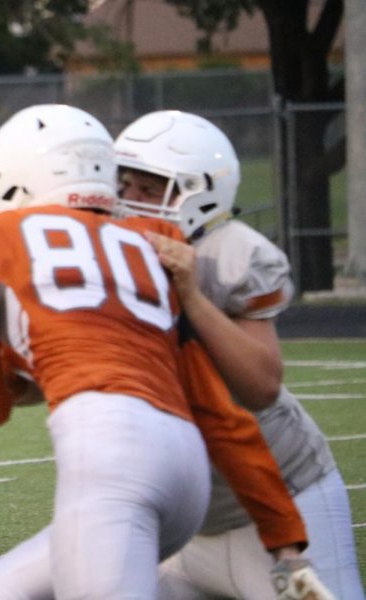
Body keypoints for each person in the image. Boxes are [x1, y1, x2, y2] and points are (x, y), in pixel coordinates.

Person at [0, 104, 320, 599]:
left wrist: (21, 367)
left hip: (111, 455)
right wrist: (285, 538)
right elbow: (220, 413)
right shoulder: (150, 248)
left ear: (11, 179)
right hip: (187, 474)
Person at [115, 109, 364, 600]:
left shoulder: (235, 256)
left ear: (199, 191)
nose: (131, 202)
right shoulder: (108, 249)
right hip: (185, 524)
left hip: (284, 505)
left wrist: (192, 296)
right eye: (126, 186)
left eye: (149, 189)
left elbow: (261, 385)